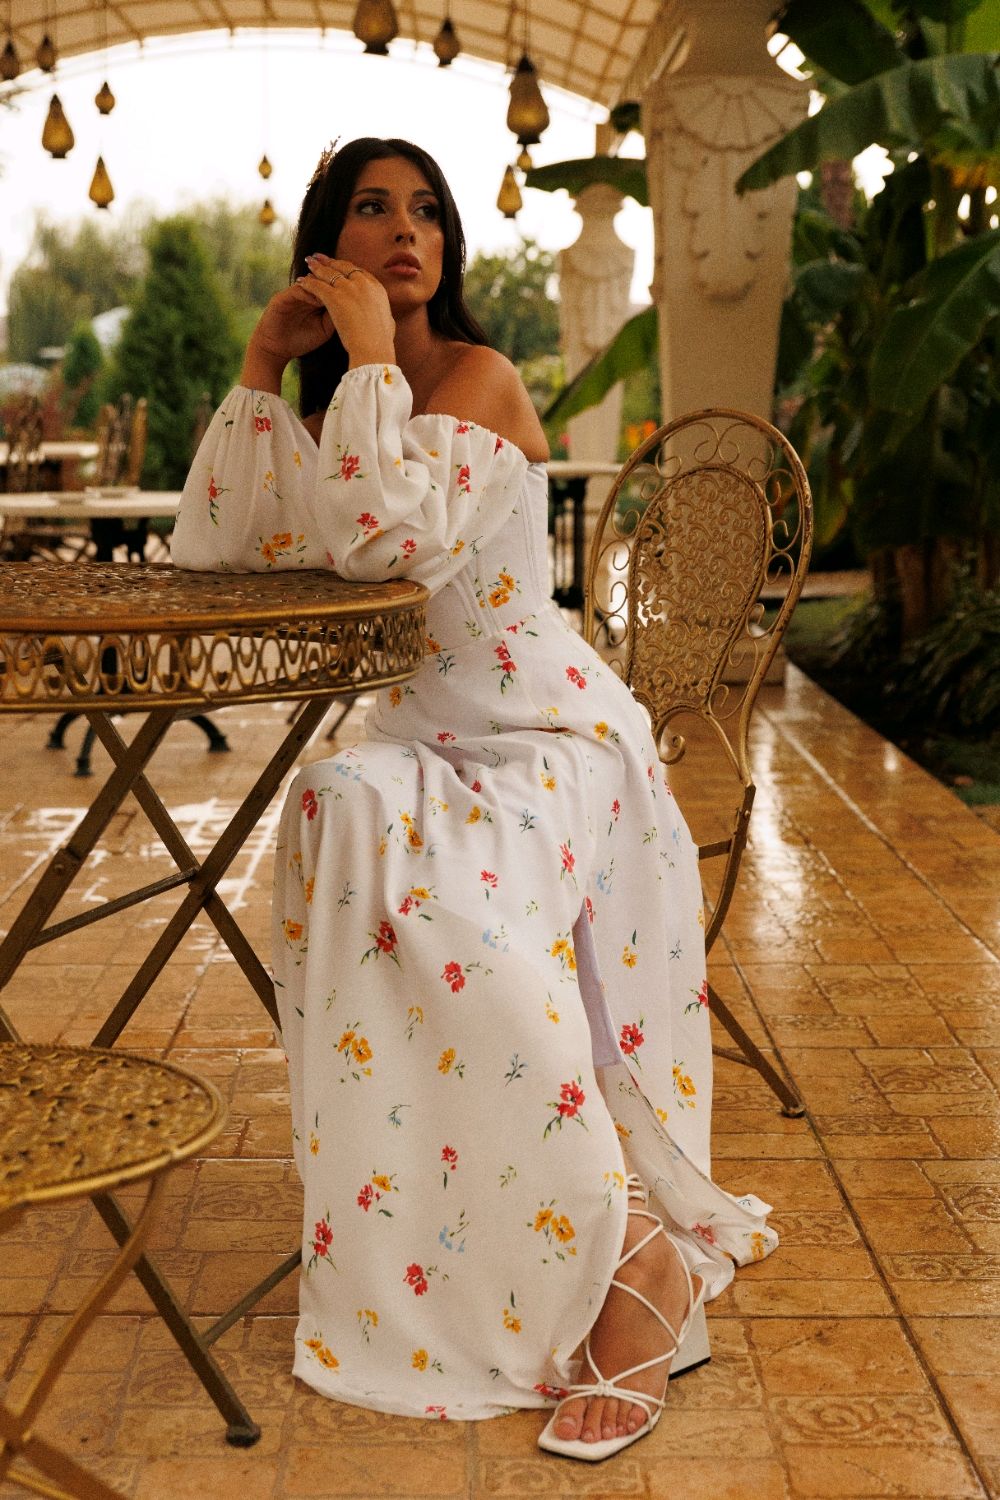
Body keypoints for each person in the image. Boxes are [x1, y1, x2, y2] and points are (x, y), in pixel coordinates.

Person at [171, 136, 777, 1461]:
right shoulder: (347, 411)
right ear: (325, 248)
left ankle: (631, 1249)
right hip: (423, 736)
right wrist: (266, 364)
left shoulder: (477, 380)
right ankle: (452, 1215)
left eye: (426, 211)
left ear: (447, 247)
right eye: (371, 209)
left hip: (552, 739)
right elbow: (216, 544)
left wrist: (367, 358)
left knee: (457, 903)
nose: (406, 231)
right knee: (335, 805)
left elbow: (388, 542)